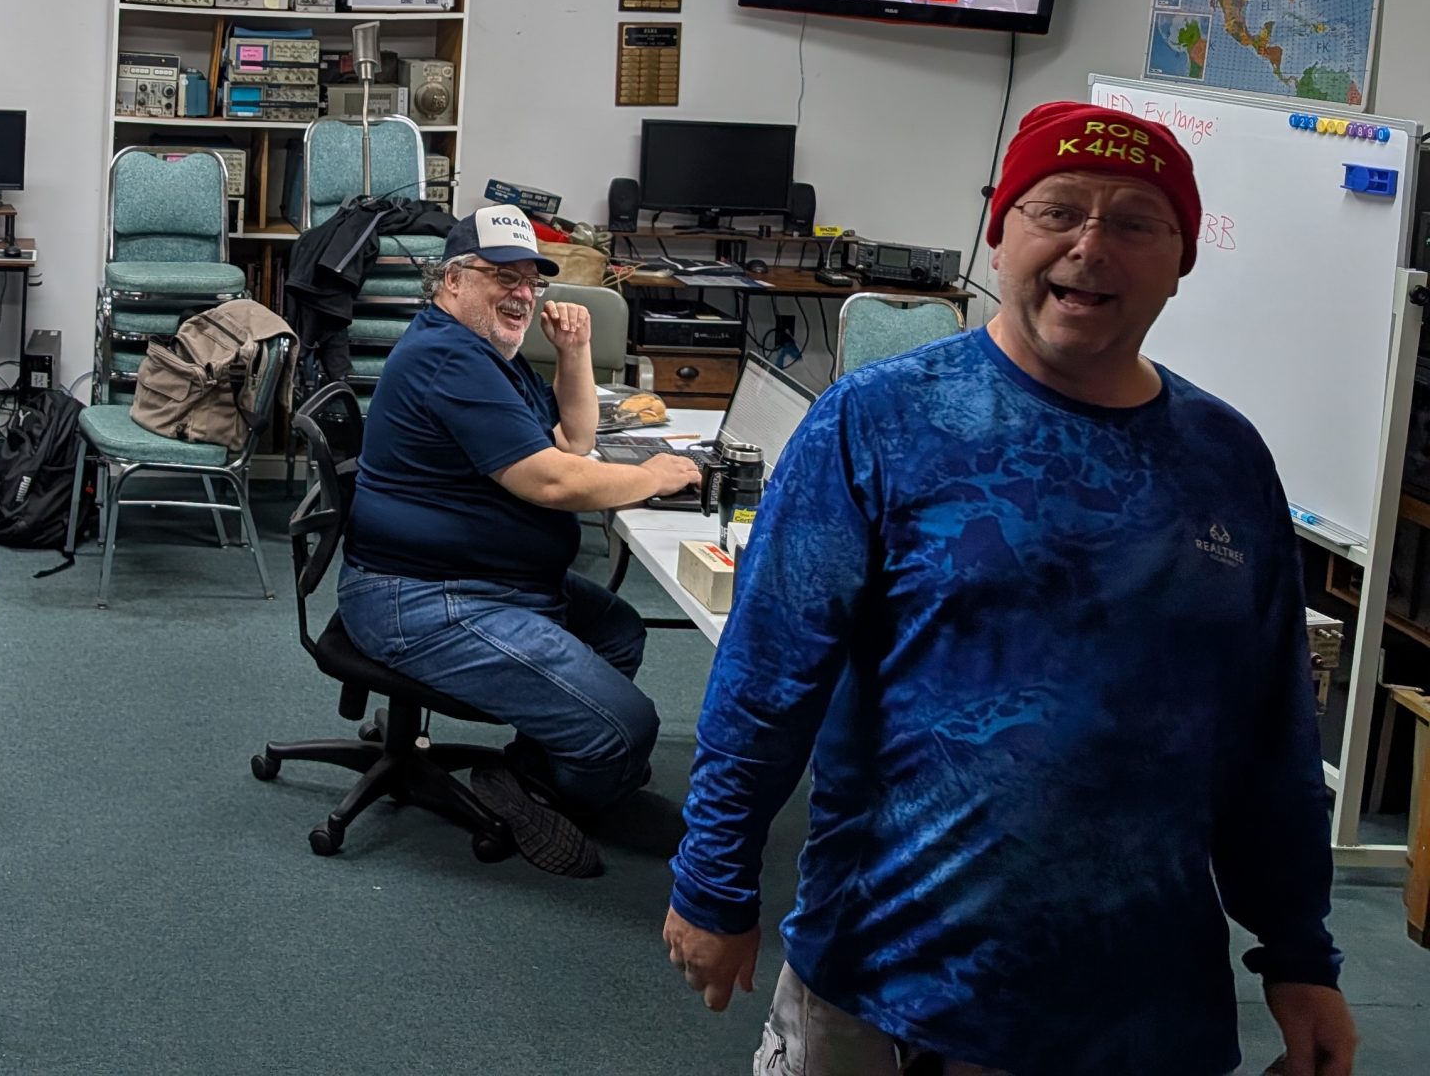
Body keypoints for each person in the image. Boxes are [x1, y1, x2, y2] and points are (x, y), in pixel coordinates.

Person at [664, 102, 1357, 1076]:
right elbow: (766, 679)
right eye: (1058, 210)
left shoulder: (1225, 459)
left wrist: (1299, 956)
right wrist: (713, 880)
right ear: (1000, 232)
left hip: (1142, 1002)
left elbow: (1269, 733)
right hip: (891, 976)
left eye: (1136, 222)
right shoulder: (877, 423)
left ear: (1180, 260)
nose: (1090, 246)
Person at [337, 204, 703, 877]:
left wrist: (575, 352)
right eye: (503, 277)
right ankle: (563, 788)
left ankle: (533, 774)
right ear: (453, 281)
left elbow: (574, 442)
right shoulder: (451, 360)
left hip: (481, 580)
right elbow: (553, 481)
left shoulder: (486, 355)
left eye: (532, 281)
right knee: (627, 728)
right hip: (422, 596)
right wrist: (652, 477)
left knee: (618, 630)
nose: (523, 295)